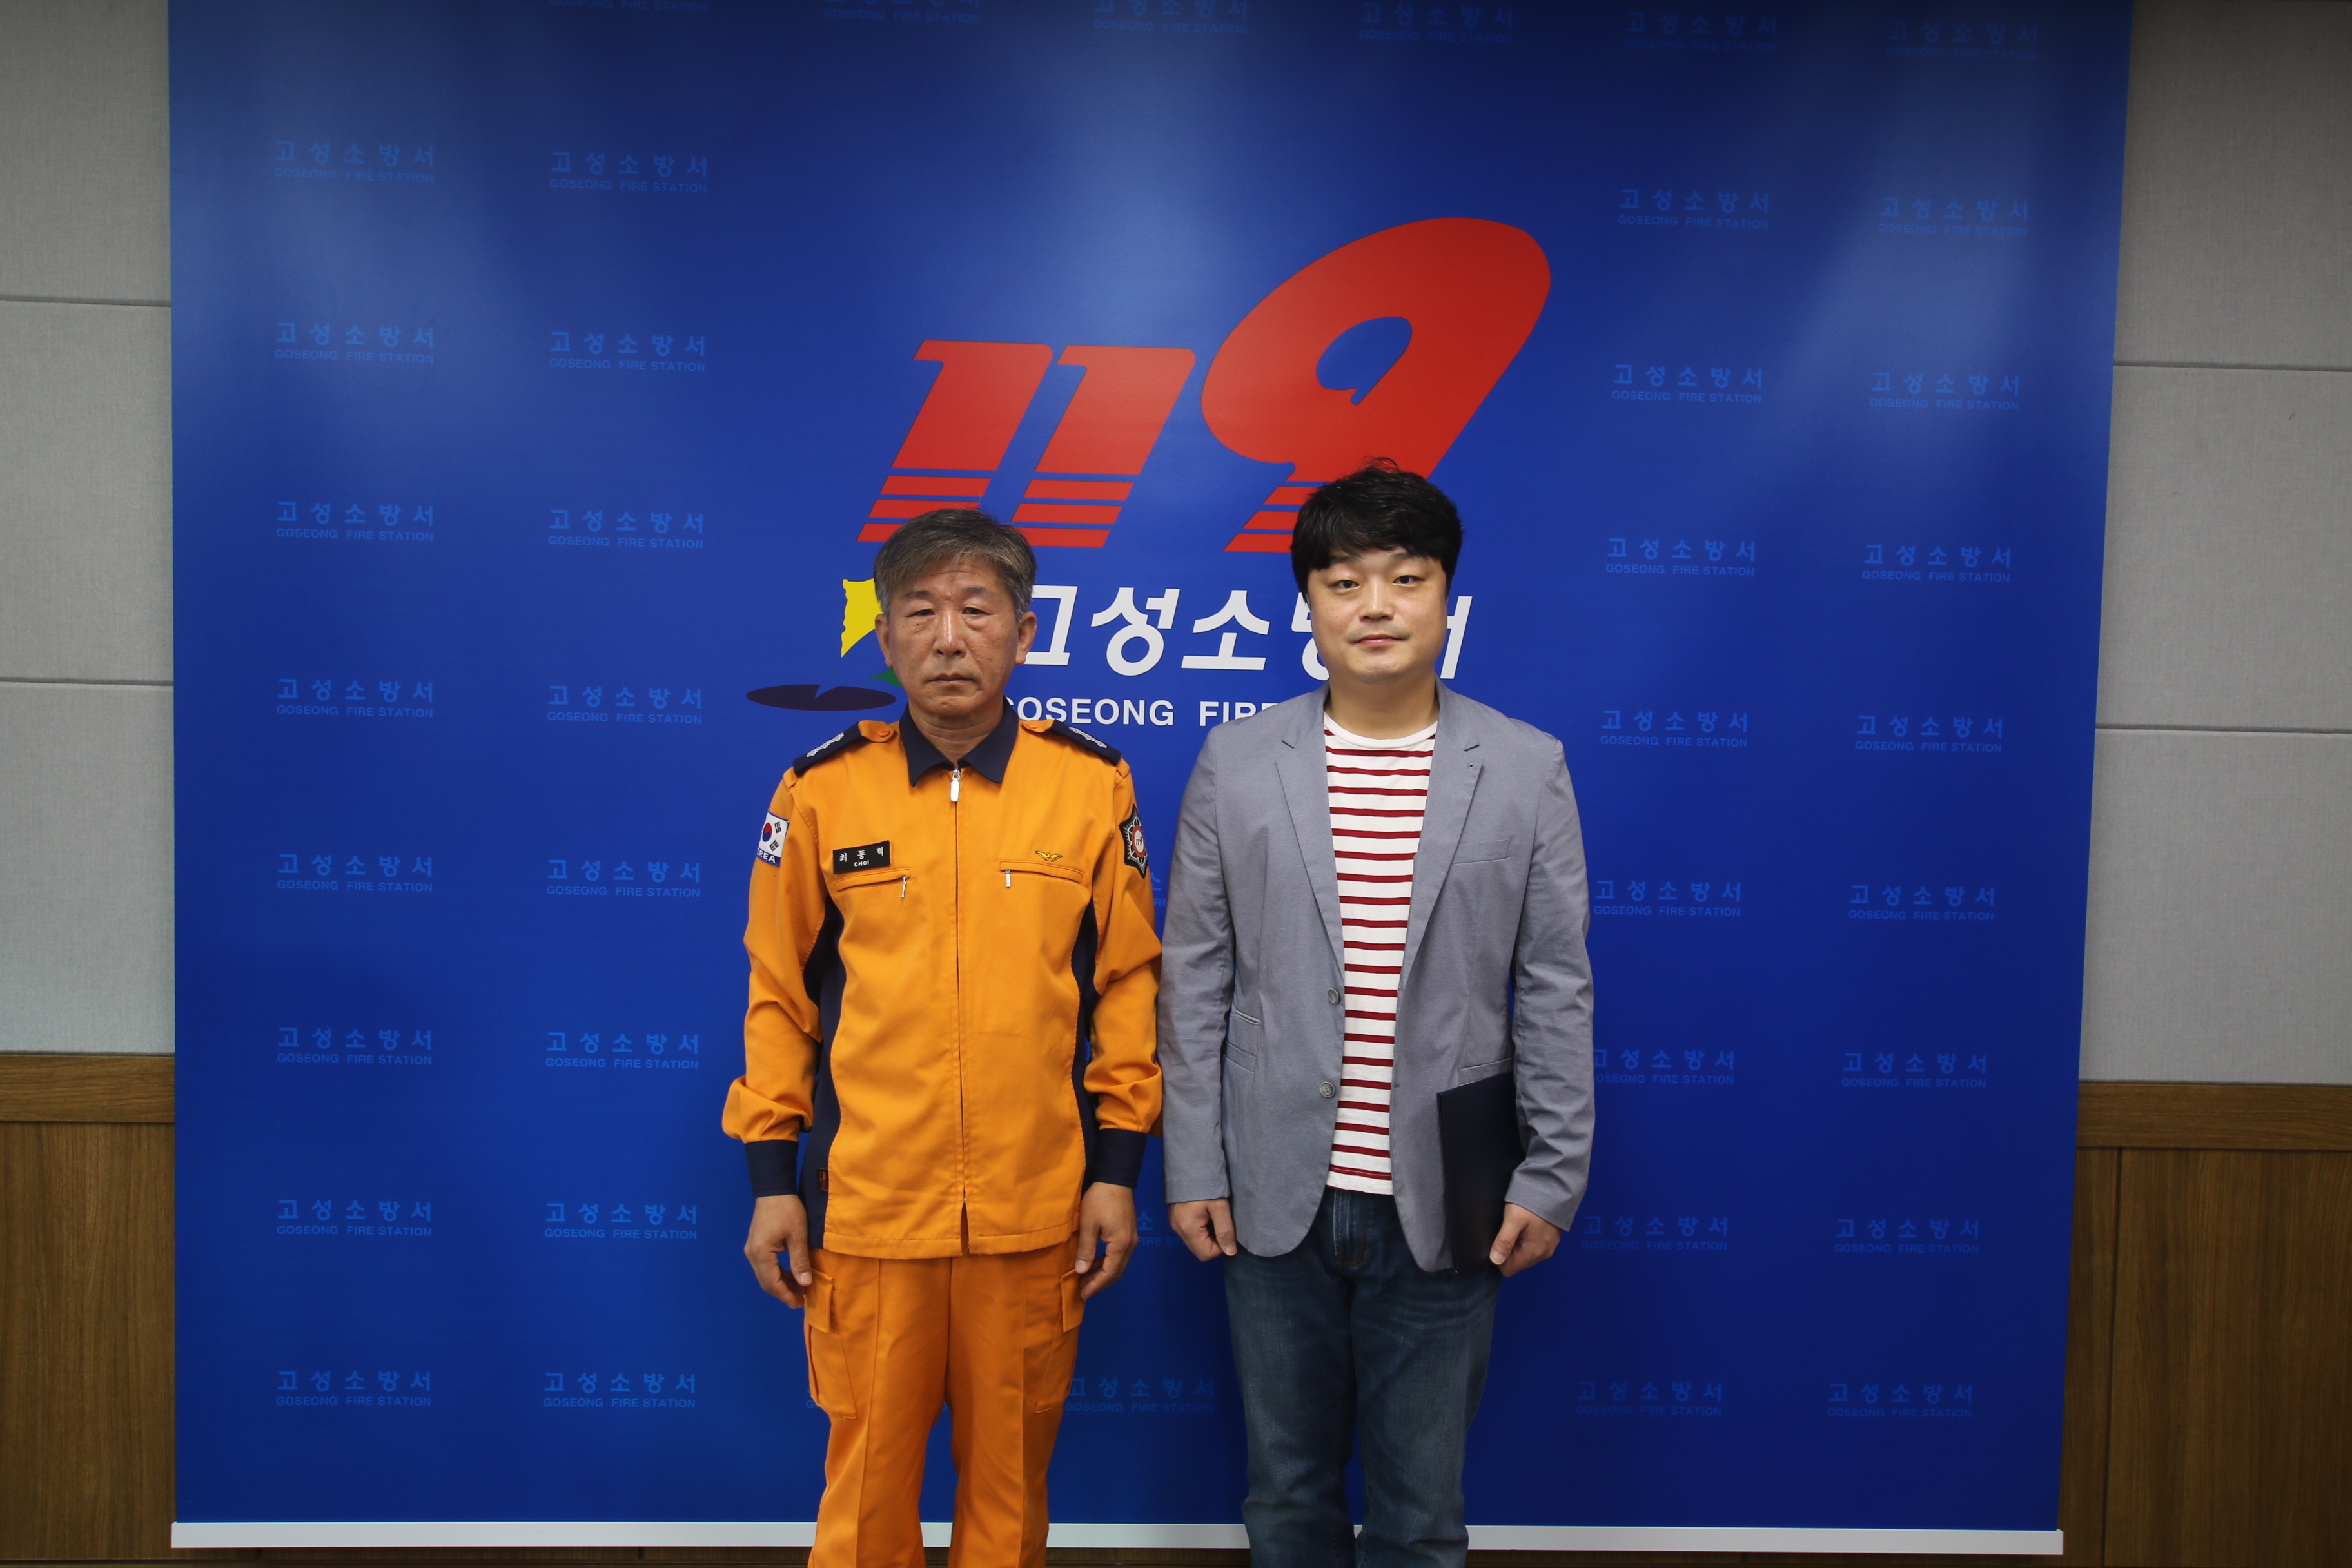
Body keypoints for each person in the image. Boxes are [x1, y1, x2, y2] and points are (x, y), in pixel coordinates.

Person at [1157, 460, 1595, 1568]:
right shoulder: (1239, 761)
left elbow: (1554, 982)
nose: (1377, 607)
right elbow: (1197, 974)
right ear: (1308, 604)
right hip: (1272, 1195)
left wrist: (1551, 1177)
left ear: (1447, 596)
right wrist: (1194, 1165)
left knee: (1419, 1518)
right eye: (1344, 582)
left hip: (1449, 1196)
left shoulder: (1526, 766)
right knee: (1287, 1504)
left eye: (1407, 578)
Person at [725, 508, 1162, 1568]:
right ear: (885, 639)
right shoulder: (821, 790)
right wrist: (772, 1177)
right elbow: (779, 995)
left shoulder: (1090, 784)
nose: (950, 638)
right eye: (920, 613)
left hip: (1033, 1210)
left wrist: (1116, 1170)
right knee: (866, 1494)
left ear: (1024, 631)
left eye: (977, 610)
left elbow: (1127, 985)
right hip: (871, 1212)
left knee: (1010, 1498)